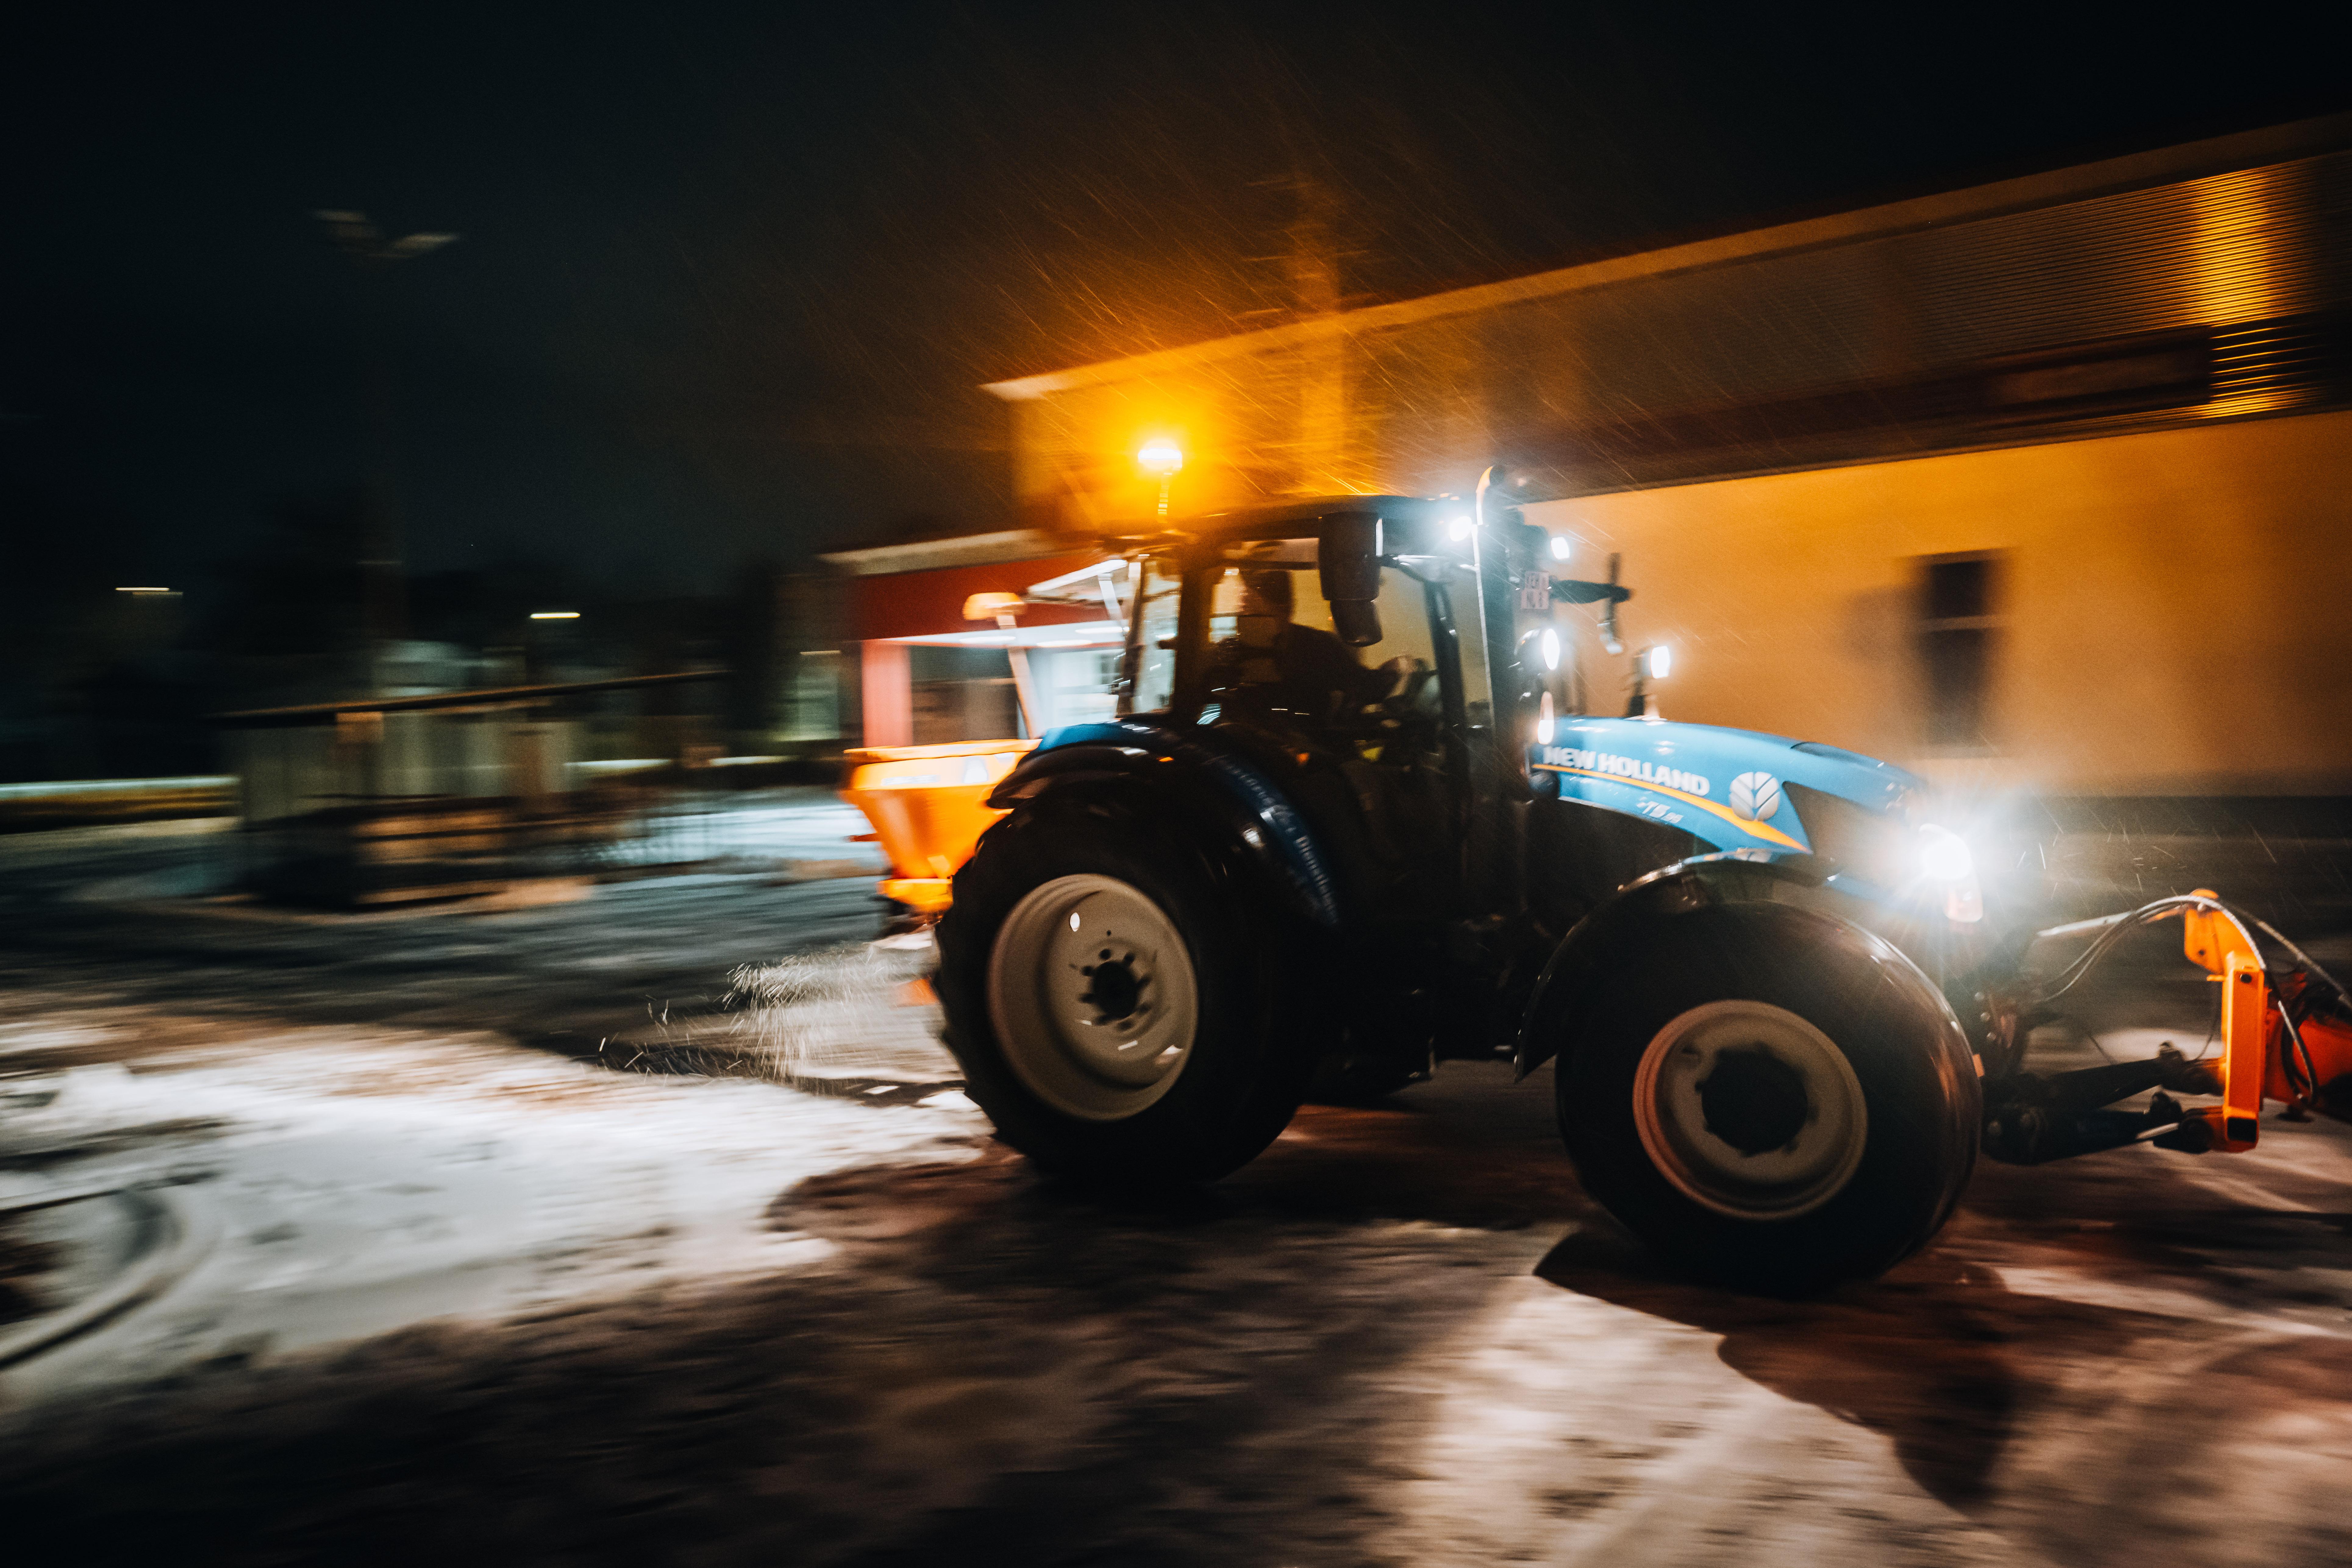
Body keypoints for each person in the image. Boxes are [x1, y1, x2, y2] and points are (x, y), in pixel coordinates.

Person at [1208, 567, 1400, 726]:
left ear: (1284, 607)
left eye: (1251, 603)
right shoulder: (1230, 651)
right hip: (1246, 747)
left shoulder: (1317, 646)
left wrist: (1396, 672)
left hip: (1307, 750)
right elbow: (1207, 702)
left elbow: (1361, 684)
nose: (1243, 611)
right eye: (1243, 607)